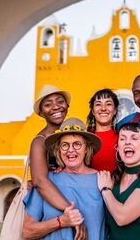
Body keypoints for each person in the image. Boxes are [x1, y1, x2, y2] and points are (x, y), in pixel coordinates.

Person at [23, 118, 106, 240]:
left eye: (77, 144)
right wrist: (61, 221)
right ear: (58, 150)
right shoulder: (47, 181)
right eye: (65, 145)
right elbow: (27, 231)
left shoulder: (102, 180)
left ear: (87, 148)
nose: (70, 150)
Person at [28, 85, 88, 239]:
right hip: (50, 206)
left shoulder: (71, 135)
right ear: (41, 113)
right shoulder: (39, 142)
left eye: (60, 101)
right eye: (48, 104)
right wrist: (72, 213)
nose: (56, 107)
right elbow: (40, 181)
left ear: (67, 105)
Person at [97, 122, 140, 240]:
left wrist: (105, 190)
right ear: (118, 147)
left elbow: (121, 218)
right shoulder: (114, 178)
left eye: (134, 138)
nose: (127, 142)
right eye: (122, 139)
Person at [86, 88, 119, 172]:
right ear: (93, 111)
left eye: (108, 104)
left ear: (115, 110)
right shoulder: (85, 138)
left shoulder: (122, 137)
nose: (103, 108)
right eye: (98, 104)